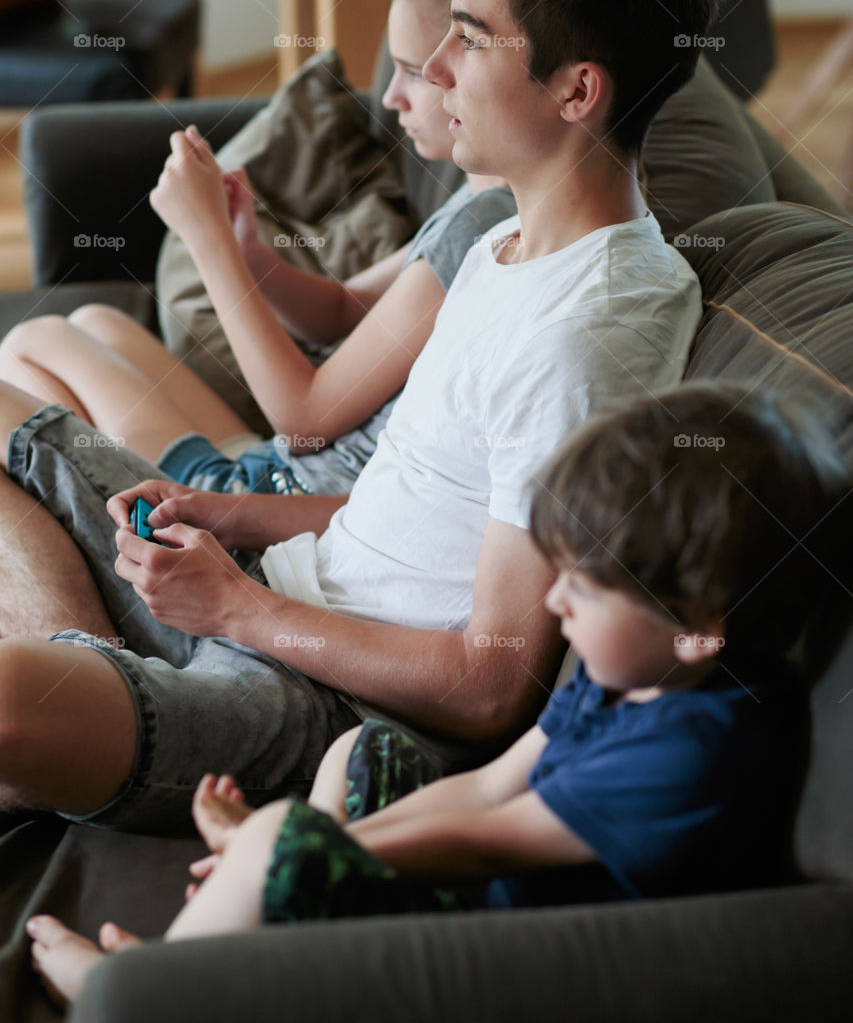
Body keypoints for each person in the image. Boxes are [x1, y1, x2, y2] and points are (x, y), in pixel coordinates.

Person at [0, 0, 730, 834]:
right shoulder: (506, 248)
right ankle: (92, 676)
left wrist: (236, 612)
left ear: (575, 90)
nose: (433, 70)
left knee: (12, 701)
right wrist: (235, 515)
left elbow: (490, 684)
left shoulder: (585, 335)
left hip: (332, 695)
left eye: (469, 40)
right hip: (276, 589)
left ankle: (80, 690)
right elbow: (423, 511)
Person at [25, 383, 847, 1006]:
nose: (553, 603)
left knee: (275, 839)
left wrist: (288, 851)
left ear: (696, 627)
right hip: (474, 892)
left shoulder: (692, 754)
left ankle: (140, 986)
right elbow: (487, 788)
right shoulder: (633, 676)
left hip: (498, 959)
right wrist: (321, 847)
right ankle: (265, 902)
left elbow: (489, 839)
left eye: (585, 589)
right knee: (359, 749)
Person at [0, 0, 514, 494]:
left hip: (277, 494)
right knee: (95, 322)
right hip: (279, 466)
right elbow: (343, 308)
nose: (389, 96)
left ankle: (126, 521)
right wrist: (247, 252)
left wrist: (209, 240)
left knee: (29, 344)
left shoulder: (487, 228)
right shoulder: (473, 203)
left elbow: (304, 419)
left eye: (413, 74)